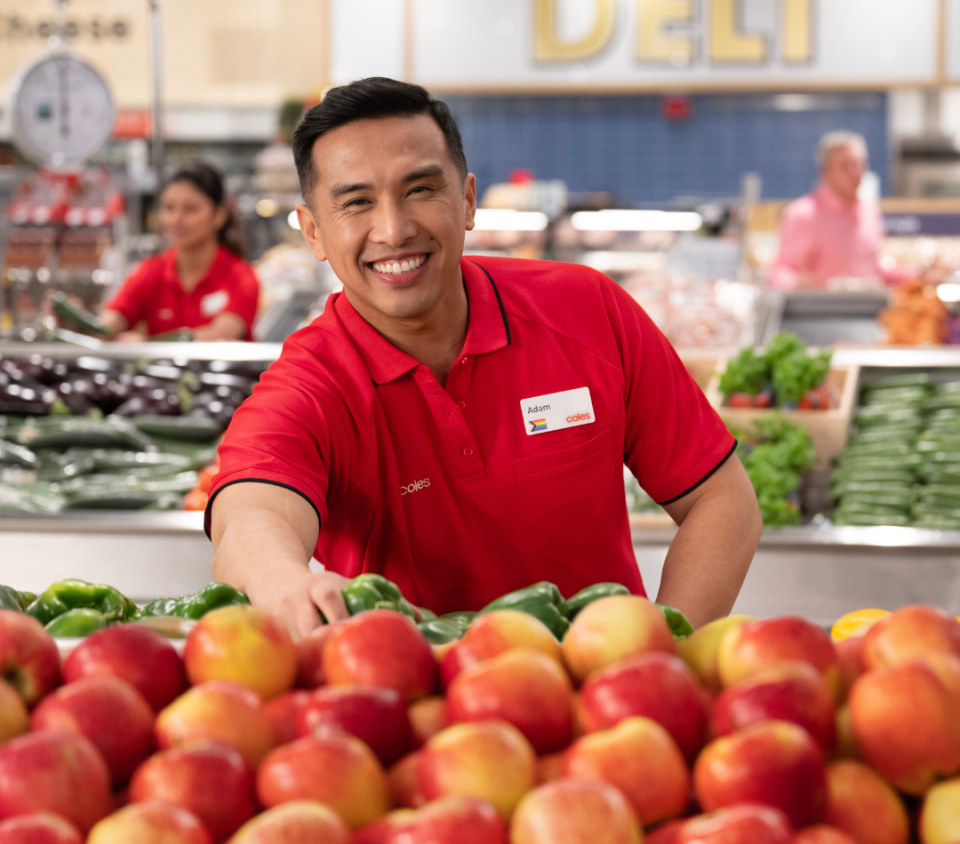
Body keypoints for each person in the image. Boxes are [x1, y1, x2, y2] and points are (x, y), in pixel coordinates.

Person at [207, 77, 762, 640]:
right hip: (419, 710)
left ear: (468, 200)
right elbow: (251, 516)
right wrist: (279, 580)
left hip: (609, 699)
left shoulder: (587, 310)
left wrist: (668, 649)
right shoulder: (313, 385)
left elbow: (722, 499)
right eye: (356, 203)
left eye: (421, 190)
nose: (395, 230)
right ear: (313, 232)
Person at [99, 163, 260, 341]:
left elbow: (221, 335)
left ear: (219, 215)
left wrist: (144, 345)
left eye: (190, 209)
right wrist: (81, 323)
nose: (177, 219)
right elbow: (112, 320)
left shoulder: (241, 276)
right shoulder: (150, 272)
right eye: (169, 208)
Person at [769, 131, 912, 291]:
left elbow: (873, 271)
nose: (854, 172)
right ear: (826, 172)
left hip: (869, 311)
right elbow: (779, 275)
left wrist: (917, 276)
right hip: (819, 312)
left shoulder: (870, 212)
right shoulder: (802, 215)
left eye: (859, 164)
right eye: (845, 166)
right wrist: (808, 283)